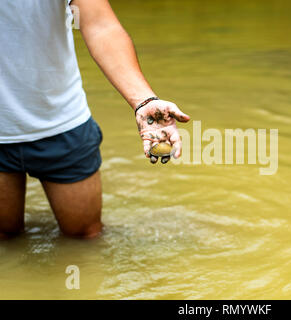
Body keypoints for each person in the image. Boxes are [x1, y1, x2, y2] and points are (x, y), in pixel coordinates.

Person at [0, 0, 190, 239]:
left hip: (62, 120)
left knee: (86, 236)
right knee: (4, 238)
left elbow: (101, 26)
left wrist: (144, 100)